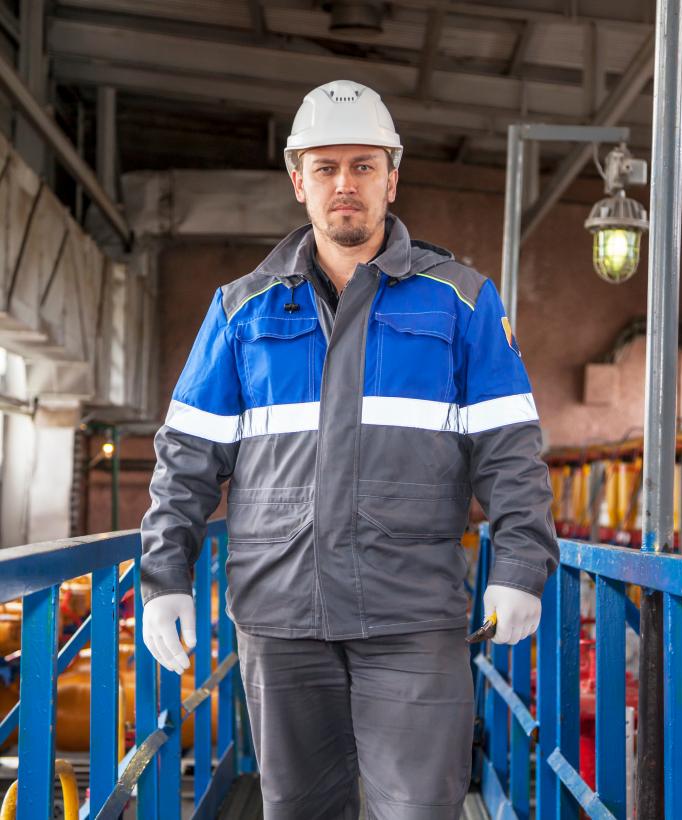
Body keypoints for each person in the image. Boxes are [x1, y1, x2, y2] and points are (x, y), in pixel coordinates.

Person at [140, 79, 559, 820]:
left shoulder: (460, 301)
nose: (345, 184)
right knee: (298, 808)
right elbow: (190, 454)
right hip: (279, 611)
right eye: (327, 167)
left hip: (413, 611)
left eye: (363, 166)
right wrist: (164, 575)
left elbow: (509, 447)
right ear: (297, 179)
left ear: (392, 178)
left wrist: (523, 564)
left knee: (420, 808)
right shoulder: (242, 309)